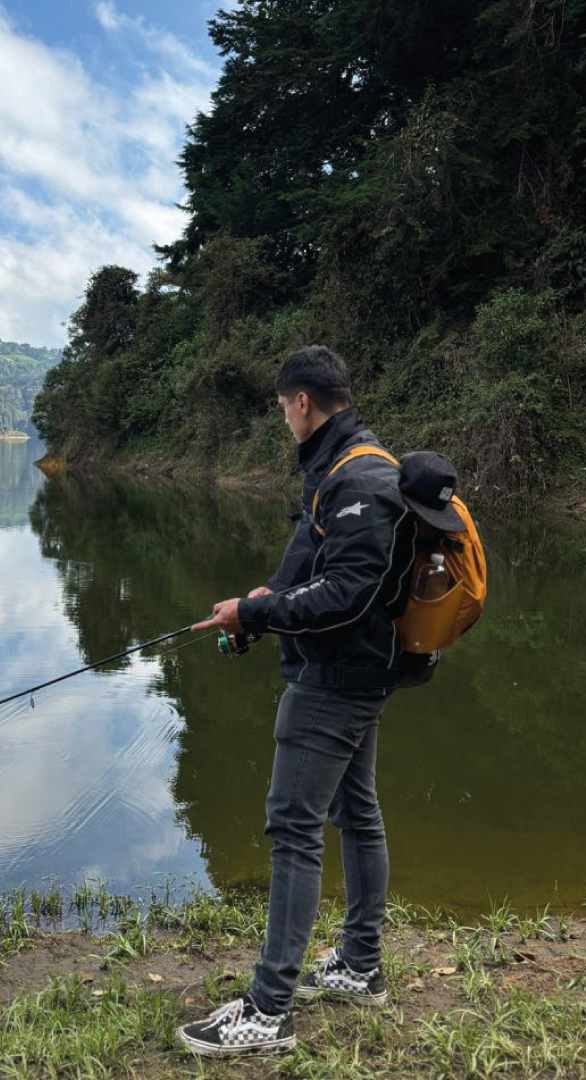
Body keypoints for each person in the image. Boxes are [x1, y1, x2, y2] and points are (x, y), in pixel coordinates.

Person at [176, 344, 417, 1058]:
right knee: (356, 811)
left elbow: (349, 592)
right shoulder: (348, 466)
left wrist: (256, 615)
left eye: (283, 407)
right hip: (357, 671)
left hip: (337, 680)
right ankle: (360, 965)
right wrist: (259, 606)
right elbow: (322, 570)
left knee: (292, 829)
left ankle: (268, 1008)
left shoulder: (360, 478)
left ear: (303, 402)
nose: (284, 419)